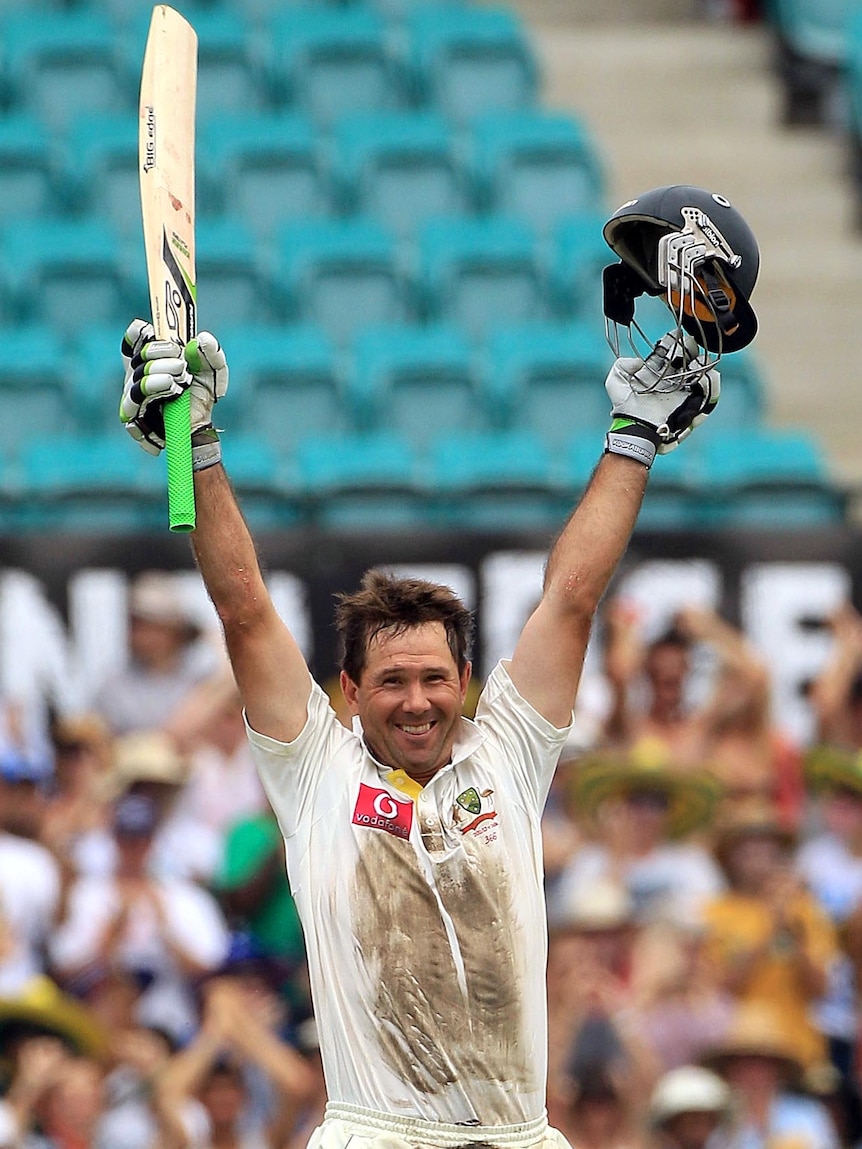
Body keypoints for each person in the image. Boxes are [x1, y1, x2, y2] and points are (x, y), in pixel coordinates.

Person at [116, 182, 749, 1146]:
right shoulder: (318, 775)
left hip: (518, 1132)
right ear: (349, 692)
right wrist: (193, 444)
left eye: (435, 678)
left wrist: (634, 441)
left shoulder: (506, 757)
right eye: (393, 682)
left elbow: (571, 598)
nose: (416, 701)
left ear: (466, 684)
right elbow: (243, 608)